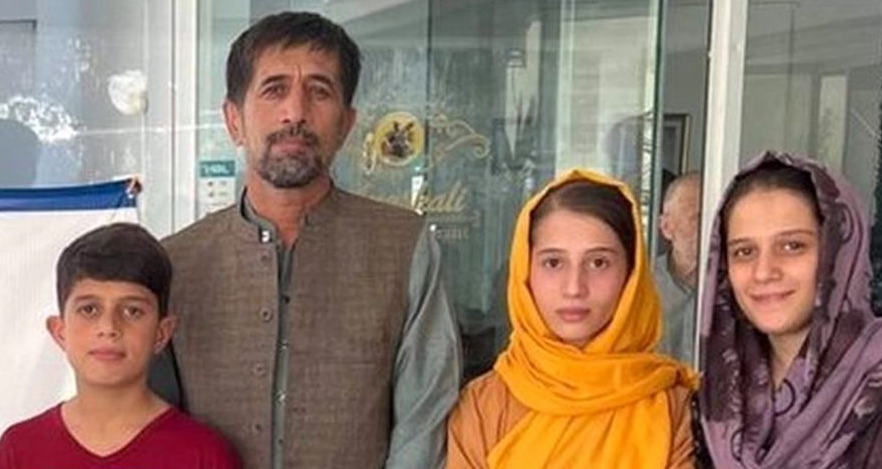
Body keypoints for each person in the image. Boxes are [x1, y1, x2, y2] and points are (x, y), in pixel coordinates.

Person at [152, 11, 461, 469]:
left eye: (319, 91)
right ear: (234, 120)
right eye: (274, 89)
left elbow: (424, 420)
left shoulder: (405, 247)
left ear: (346, 124)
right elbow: (154, 429)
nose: (295, 113)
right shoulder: (176, 263)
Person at [447, 169, 698, 468]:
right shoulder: (484, 406)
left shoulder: (675, 408)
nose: (574, 288)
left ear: (631, 275)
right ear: (525, 272)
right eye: (553, 262)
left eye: (598, 262)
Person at [0, 223, 240, 468]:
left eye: (132, 311)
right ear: (60, 332)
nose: (109, 327)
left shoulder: (203, 455)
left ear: (161, 334)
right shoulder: (19, 449)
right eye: (89, 309)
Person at [698, 151, 882, 468]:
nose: (763, 272)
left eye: (792, 246)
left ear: (839, 253)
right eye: (744, 251)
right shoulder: (717, 395)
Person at [656, 172, 700, 363]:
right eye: (698, 218)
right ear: (666, 227)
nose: (712, 228)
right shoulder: (642, 286)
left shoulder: (739, 283)